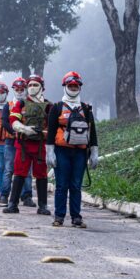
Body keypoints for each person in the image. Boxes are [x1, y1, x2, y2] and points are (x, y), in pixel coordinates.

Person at [46, 71, 99, 228]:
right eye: (70, 85)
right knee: (62, 185)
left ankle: (76, 217)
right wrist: (50, 152)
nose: (73, 88)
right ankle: (59, 217)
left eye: (76, 85)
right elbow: (50, 132)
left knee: (76, 185)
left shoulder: (86, 108)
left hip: (80, 152)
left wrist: (94, 152)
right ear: (65, 86)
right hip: (61, 151)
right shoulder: (56, 107)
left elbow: (92, 131)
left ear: (80, 87)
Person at [3, 74, 52, 215]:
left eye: (35, 85)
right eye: (29, 85)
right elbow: (13, 120)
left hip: (41, 145)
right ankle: (13, 204)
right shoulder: (21, 103)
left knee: (42, 175)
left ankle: (42, 206)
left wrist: (47, 136)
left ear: (42, 88)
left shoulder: (49, 106)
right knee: (19, 173)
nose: (31, 88)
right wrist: (24, 129)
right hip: (23, 145)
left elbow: (53, 126)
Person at [0, 78, 33, 207]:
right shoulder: (8, 105)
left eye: (22, 89)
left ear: (25, 90)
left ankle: (27, 196)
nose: (19, 91)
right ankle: (4, 195)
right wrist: (15, 131)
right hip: (11, 140)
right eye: (17, 89)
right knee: (8, 169)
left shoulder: (30, 104)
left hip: (26, 141)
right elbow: (4, 122)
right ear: (13, 90)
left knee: (27, 171)